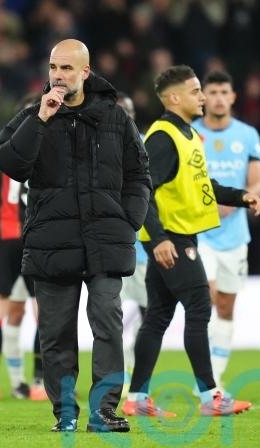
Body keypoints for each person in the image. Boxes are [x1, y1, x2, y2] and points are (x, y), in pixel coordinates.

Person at [0, 39, 151, 433]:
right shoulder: (35, 115)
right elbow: (7, 162)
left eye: (66, 68)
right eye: (53, 68)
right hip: (52, 241)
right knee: (56, 333)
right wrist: (41, 119)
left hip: (105, 240)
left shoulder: (115, 118)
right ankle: (65, 412)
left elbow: (139, 173)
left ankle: (103, 411)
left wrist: (129, 220)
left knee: (108, 323)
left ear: (85, 72)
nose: (58, 76)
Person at [121, 65, 260, 418]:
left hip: (176, 236)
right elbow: (140, 189)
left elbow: (203, 185)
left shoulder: (187, 135)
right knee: (199, 306)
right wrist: (157, 239)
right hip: (171, 239)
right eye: (196, 91)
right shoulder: (164, 136)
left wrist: (241, 196)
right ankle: (210, 396)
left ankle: (136, 398)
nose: (203, 97)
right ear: (173, 98)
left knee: (157, 317)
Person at [192, 70, 260, 392]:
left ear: (233, 97)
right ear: (204, 97)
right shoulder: (191, 133)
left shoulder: (247, 135)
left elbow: (257, 181)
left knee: (225, 306)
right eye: (213, 92)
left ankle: (216, 377)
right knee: (205, 298)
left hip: (235, 236)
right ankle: (205, 380)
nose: (219, 98)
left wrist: (241, 200)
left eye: (224, 92)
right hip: (200, 231)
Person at [0, 94, 47, 401]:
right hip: (37, 238)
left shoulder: (3, 149)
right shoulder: (49, 146)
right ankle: (38, 384)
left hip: (4, 237)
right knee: (41, 311)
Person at [116, 92, 148, 398]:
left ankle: (136, 374)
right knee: (114, 314)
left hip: (144, 249)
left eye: (127, 111)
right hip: (112, 247)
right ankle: (120, 375)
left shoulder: (147, 145)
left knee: (147, 316)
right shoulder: (97, 146)